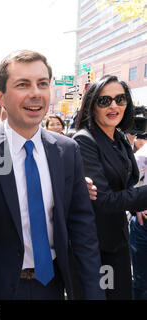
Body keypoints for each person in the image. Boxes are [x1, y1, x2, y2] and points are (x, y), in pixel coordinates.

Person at [0, 49, 104, 300]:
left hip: (51, 286)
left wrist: (94, 292)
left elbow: (83, 229)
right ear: (1, 97)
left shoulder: (67, 151)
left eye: (42, 84)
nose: (35, 93)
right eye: (22, 84)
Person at [73, 75, 147, 300]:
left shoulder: (120, 137)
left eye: (120, 99)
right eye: (104, 101)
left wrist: (137, 207)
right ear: (91, 105)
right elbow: (103, 200)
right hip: (96, 244)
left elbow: (126, 182)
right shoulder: (84, 141)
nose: (114, 105)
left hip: (118, 237)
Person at [130, 140, 147, 299]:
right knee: (141, 281)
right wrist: (138, 206)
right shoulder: (143, 153)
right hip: (144, 225)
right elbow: (130, 181)